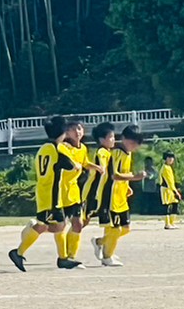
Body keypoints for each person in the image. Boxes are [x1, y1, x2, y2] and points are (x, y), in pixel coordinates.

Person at [8, 116, 77, 272]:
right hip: (50, 196)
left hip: (45, 192)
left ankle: (63, 258)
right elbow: (71, 166)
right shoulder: (57, 149)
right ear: (63, 132)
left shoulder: (43, 148)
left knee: (60, 224)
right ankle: (18, 252)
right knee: (47, 225)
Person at [96, 126, 145, 267]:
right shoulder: (117, 152)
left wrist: (128, 186)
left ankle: (101, 243)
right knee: (115, 228)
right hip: (111, 196)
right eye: (132, 142)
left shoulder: (128, 154)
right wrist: (136, 177)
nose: (134, 146)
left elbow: (124, 173)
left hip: (121, 196)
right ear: (123, 139)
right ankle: (107, 256)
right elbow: (114, 175)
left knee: (125, 228)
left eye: (136, 144)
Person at [57, 119, 93, 269]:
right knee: (60, 225)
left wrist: (96, 167)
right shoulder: (64, 147)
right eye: (72, 129)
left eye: (79, 128)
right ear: (67, 133)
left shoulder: (83, 148)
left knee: (78, 223)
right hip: (62, 192)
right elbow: (68, 162)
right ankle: (63, 256)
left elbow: (84, 163)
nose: (77, 132)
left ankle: (71, 256)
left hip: (75, 192)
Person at [83, 123, 115, 261]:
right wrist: (101, 167)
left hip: (102, 193)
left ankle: (103, 245)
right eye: (111, 137)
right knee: (81, 222)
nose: (114, 139)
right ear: (102, 140)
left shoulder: (109, 152)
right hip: (93, 192)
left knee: (107, 221)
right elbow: (101, 167)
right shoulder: (102, 151)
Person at [159, 151, 182, 228]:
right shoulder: (165, 168)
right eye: (169, 157)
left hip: (170, 189)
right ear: (165, 158)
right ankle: (167, 223)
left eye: (172, 158)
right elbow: (169, 182)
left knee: (175, 204)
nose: (171, 159)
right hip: (166, 189)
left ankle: (172, 222)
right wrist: (175, 191)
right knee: (166, 206)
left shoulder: (169, 167)